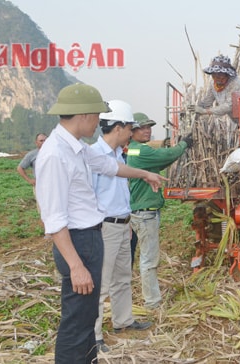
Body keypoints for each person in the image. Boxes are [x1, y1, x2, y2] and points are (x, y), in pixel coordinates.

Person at [35, 84, 166, 364]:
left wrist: (144, 174)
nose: (99, 122)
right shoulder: (55, 154)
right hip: (78, 243)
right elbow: (54, 218)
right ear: (82, 115)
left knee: (86, 316)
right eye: (96, 115)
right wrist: (76, 265)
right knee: (77, 320)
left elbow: (111, 168)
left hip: (90, 238)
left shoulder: (78, 148)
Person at [91, 100, 152, 354]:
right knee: (101, 284)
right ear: (118, 127)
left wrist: (126, 221)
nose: (131, 133)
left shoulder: (118, 154)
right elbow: (89, 196)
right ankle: (93, 336)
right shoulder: (95, 156)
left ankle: (123, 321)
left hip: (121, 224)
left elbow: (118, 193)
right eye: (129, 128)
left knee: (122, 278)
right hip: (104, 228)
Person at [127, 112, 192, 309]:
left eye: (149, 127)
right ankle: (152, 303)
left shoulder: (135, 150)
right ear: (132, 131)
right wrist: (184, 144)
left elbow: (162, 160)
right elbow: (166, 156)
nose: (147, 130)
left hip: (139, 211)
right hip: (145, 213)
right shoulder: (140, 151)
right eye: (142, 127)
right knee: (148, 259)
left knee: (138, 257)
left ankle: (129, 297)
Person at [191, 55, 240, 144]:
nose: (218, 80)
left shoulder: (235, 83)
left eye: (221, 77)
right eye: (215, 76)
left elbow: (228, 106)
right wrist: (195, 109)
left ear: (227, 75)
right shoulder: (212, 85)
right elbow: (207, 101)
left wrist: (205, 111)